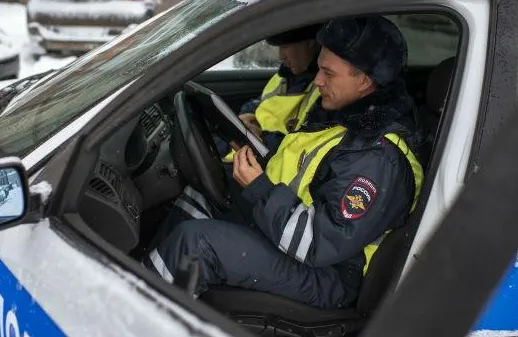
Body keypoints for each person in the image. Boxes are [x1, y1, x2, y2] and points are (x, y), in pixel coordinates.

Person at [143, 17, 424, 309]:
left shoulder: (378, 158)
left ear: (365, 80)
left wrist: (259, 188)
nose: (317, 81)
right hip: (289, 235)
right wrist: (257, 146)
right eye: (319, 69)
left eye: (328, 73)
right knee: (199, 198)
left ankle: (135, 315)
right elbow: (302, 164)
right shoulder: (342, 121)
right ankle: (142, 279)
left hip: (330, 274)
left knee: (195, 243)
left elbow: (320, 243)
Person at [217, 25, 322, 157]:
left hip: (269, 158)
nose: (280, 56)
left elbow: (302, 145)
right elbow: (262, 102)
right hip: (250, 148)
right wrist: (247, 115)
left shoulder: (324, 89)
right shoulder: (283, 76)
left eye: (285, 47)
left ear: (312, 43)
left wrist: (261, 136)